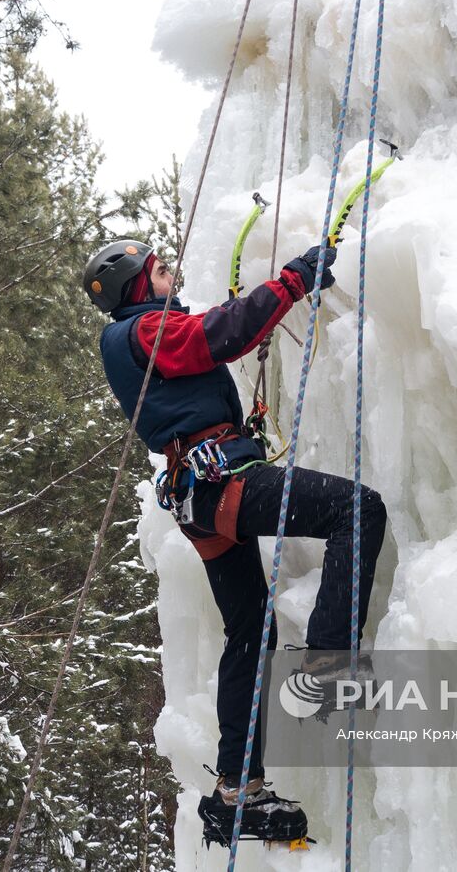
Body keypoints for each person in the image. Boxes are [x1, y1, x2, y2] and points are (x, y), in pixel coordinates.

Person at [82, 238, 387, 844]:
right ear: (136, 287)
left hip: (197, 499)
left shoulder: (133, 339)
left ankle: (235, 790)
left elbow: (200, 356)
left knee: (253, 630)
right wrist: (293, 282)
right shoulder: (145, 329)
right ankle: (329, 665)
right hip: (221, 482)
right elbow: (221, 334)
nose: (172, 275)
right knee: (357, 509)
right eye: (161, 270)